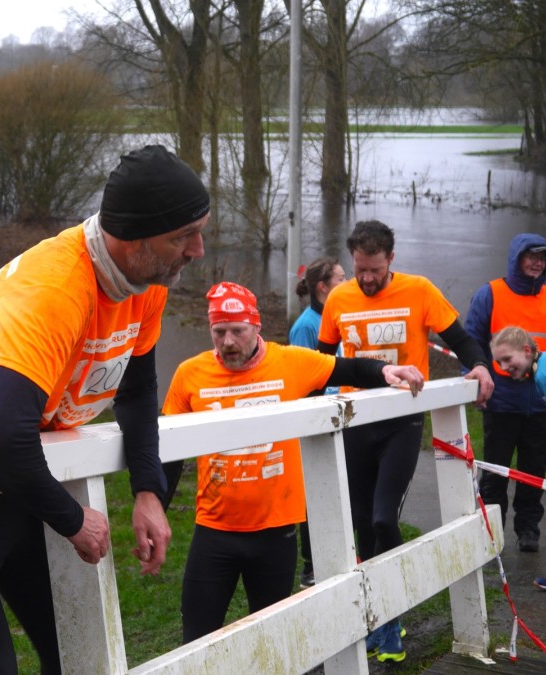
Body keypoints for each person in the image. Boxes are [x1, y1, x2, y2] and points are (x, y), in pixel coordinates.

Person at [0, 144, 209, 674]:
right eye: (183, 236)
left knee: (72, 653)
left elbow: (135, 390)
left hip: (23, 472)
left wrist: (148, 490)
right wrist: (74, 520)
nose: (197, 250)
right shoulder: (57, 290)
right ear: (133, 236)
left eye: (199, 231)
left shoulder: (145, 281)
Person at [163, 281, 424, 644]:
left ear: (256, 326)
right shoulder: (189, 373)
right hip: (214, 530)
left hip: (276, 531)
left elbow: (348, 369)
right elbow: (168, 449)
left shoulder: (290, 362)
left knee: (274, 641)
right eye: (219, 332)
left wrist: (385, 372)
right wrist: (156, 510)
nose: (228, 342)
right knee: (196, 641)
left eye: (237, 331)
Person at [317, 220, 494, 663]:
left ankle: (392, 614)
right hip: (356, 421)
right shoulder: (339, 298)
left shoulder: (419, 290)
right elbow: (321, 361)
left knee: (383, 519)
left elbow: (461, 339)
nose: (366, 278)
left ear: (391, 259)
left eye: (375, 269)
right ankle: (373, 617)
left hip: (401, 422)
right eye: (360, 269)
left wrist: (479, 365)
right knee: (360, 522)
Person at [464, 234, 546, 553]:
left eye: (543, 258)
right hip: (501, 402)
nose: (537, 262)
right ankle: (490, 535)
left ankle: (528, 531)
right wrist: (473, 378)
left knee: (533, 473)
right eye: (531, 256)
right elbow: (470, 340)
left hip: (542, 405)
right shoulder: (490, 293)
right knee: (495, 474)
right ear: (516, 258)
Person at [490, 326, 546, 596]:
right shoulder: (542, 370)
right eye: (499, 363)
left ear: (527, 351)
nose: (504, 368)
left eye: (507, 359)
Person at [288, 256, 346, 587]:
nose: (347, 283)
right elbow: (304, 378)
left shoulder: (338, 317)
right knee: (316, 493)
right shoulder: (306, 326)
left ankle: (339, 555)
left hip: (341, 417)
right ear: (323, 287)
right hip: (318, 420)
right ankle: (311, 566)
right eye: (341, 278)